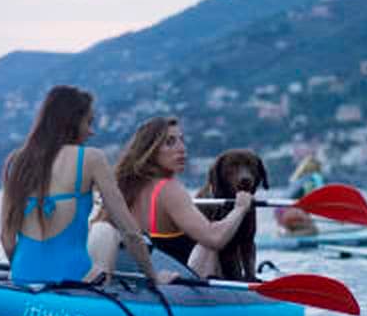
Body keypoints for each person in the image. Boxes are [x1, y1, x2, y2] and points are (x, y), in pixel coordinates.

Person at [0, 85, 175, 285]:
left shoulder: (16, 161)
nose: (91, 132)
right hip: (76, 278)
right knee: (104, 242)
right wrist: (154, 276)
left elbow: (6, 239)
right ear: (72, 121)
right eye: (88, 122)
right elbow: (129, 230)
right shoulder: (91, 158)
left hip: (22, 275)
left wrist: (27, 269)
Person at [88, 116, 253, 278]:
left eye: (182, 140)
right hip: (178, 285)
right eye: (170, 142)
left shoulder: (124, 186)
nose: (182, 148)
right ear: (151, 150)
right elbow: (214, 238)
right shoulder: (168, 188)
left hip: (136, 279)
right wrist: (239, 209)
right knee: (206, 245)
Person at [274, 155, 323, 235]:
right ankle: (288, 236)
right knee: (313, 230)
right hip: (291, 211)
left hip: (279, 211)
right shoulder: (314, 177)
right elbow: (311, 198)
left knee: (297, 228)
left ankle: (284, 233)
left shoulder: (297, 179)